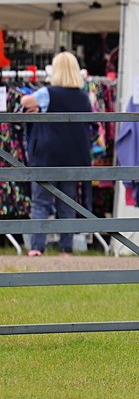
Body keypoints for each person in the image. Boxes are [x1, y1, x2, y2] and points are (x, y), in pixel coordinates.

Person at [19, 52, 94, 256]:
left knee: (41, 201)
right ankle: (66, 249)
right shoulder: (83, 97)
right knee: (67, 202)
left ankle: (37, 247)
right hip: (73, 157)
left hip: (47, 155)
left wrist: (34, 106)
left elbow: (26, 101)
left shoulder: (48, 92)